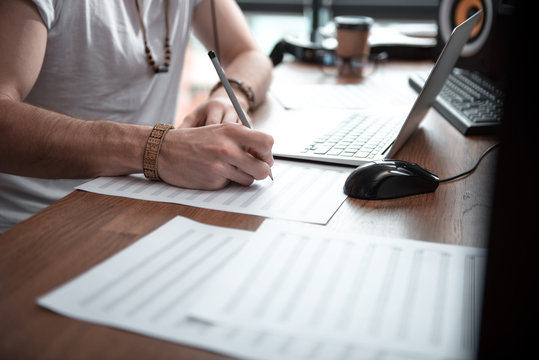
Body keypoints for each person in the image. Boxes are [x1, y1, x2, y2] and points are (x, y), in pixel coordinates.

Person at [0, 0, 275, 233]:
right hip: (36, 222)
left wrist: (230, 94)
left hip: (142, 204)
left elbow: (250, 54)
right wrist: (159, 149)